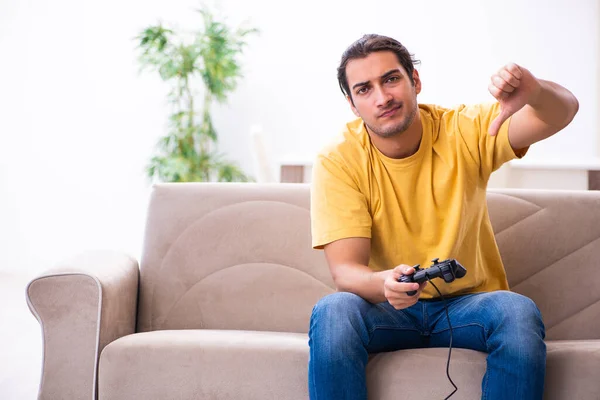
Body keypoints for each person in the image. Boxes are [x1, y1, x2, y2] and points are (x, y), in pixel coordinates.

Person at [308, 33, 579, 400]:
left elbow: (563, 110)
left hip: (467, 305)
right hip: (386, 309)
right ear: (353, 105)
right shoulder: (338, 159)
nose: (382, 97)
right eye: (364, 89)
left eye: (391, 79)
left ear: (414, 80)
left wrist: (534, 91)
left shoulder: (462, 130)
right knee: (334, 311)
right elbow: (346, 271)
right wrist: (385, 283)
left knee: (516, 312)